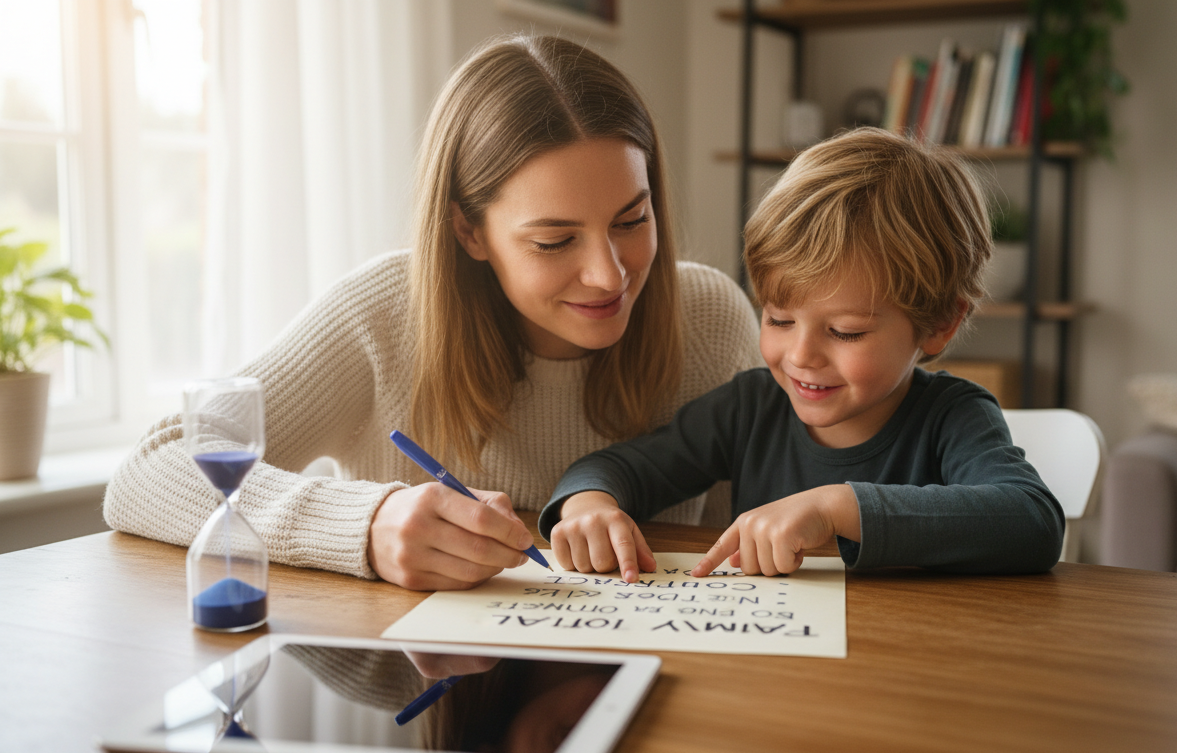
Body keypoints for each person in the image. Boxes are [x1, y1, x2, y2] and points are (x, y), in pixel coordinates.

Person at [103, 34, 761, 591]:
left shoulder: (709, 320)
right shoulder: (384, 313)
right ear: (468, 232)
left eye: (632, 219)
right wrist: (366, 523)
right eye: (554, 241)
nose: (610, 273)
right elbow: (147, 473)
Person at [538, 128, 1064, 584]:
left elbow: (1032, 521)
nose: (801, 356)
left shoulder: (953, 415)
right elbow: (617, 467)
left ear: (940, 323)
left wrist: (838, 507)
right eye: (779, 319)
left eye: (845, 331)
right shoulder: (750, 408)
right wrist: (589, 505)